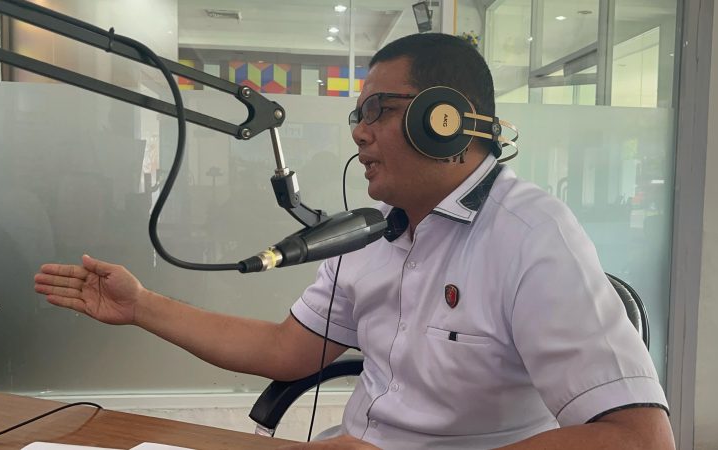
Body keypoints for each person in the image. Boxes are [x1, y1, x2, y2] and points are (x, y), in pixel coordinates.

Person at [34, 33, 675, 450]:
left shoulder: (533, 236)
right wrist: (142, 306)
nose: (358, 134)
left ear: (444, 120)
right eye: (356, 115)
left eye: (378, 110)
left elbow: (638, 436)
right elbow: (286, 350)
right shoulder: (374, 229)